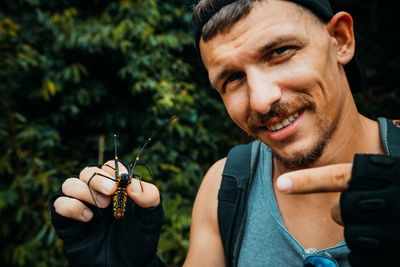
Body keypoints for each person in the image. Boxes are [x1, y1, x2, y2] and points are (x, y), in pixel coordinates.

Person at [50, 0, 400, 266]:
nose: (262, 101)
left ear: (340, 39)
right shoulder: (224, 185)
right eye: (232, 79)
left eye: (280, 52)